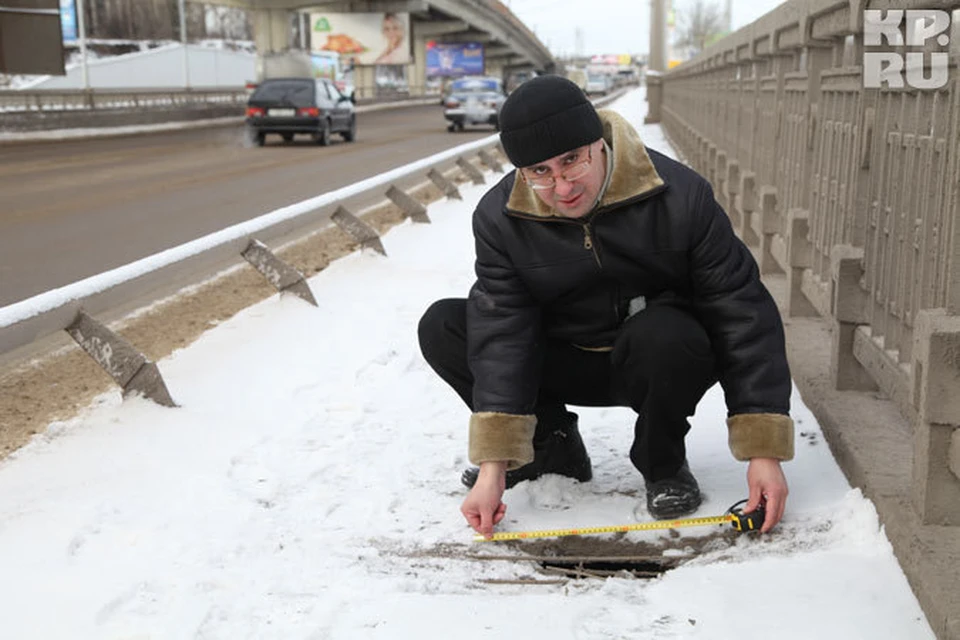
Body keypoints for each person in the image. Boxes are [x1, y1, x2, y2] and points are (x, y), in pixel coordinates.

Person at [417, 75, 794, 539]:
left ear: (598, 143)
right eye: (540, 172)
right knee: (445, 324)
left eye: (572, 160)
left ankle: (665, 464)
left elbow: (741, 311)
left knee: (668, 334)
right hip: (560, 357)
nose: (561, 185)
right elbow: (502, 333)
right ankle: (549, 447)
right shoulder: (499, 218)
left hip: (654, 360)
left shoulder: (680, 195)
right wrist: (493, 466)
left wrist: (764, 453)